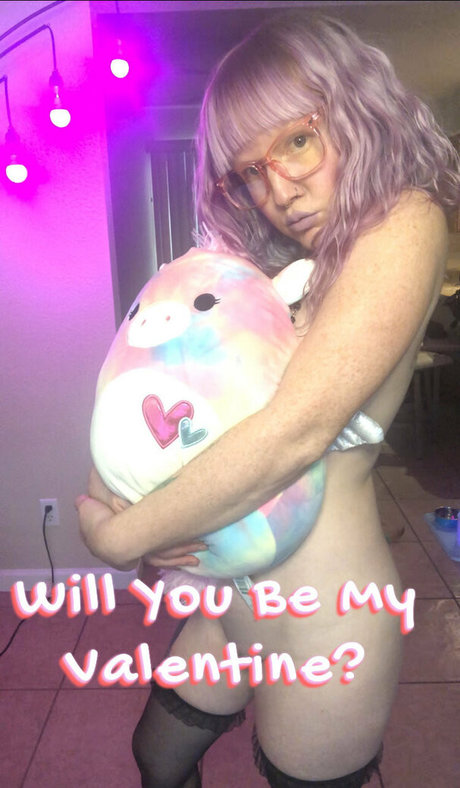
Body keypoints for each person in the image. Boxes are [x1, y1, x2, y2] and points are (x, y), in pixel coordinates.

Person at [76, 12, 459, 788]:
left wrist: (121, 539)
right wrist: (109, 499)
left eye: (299, 141)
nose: (277, 190)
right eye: (250, 171)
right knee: (157, 754)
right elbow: (171, 391)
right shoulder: (269, 268)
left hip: (324, 619)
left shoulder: (405, 219)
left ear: (357, 112)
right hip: (232, 598)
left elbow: (295, 431)